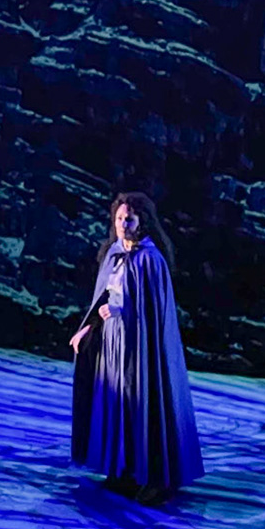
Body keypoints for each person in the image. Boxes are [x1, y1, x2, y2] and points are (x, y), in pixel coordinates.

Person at [69, 191, 204, 504]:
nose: (122, 224)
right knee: (114, 405)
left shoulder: (150, 260)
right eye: (118, 218)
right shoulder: (114, 255)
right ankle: (120, 472)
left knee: (142, 406)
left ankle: (153, 477)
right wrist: (88, 328)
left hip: (141, 352)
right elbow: (102, 299)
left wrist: (122, 310)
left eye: (128, 219)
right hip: (113, 348)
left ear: (142, 221)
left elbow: (152, 313)